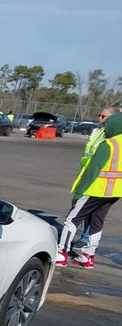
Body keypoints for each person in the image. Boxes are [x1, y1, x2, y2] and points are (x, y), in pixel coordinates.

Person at [55, 112, 122, 269]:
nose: (105, 128)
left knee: (72, 220)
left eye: (107, 125)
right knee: (96, 223)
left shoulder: (109, 144)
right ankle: (88, 257)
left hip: (95, 189)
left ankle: (61, 254)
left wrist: (79, 192)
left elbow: (93, 170)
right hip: (114, 193)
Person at [73, 107, 116, 247]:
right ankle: (86, 241)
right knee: (89, 213)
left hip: (99, 179)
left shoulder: (111, 135)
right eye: (100, 115)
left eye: (104, 116)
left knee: (87, 214)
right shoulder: (98, 131)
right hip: (88, 173)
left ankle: (85, 240)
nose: (100, 118)